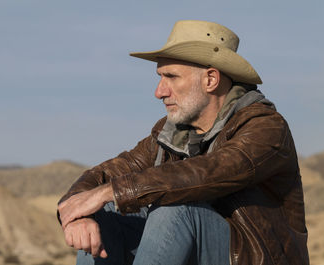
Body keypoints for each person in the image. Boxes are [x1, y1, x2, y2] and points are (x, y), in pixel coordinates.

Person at [57, 20, 309, 265]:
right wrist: (79, 214)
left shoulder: (265, 127)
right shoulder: (169, 135)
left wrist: (108, 192)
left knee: (176, 209)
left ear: (210, 80)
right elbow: (102, 174)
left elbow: (208, 173)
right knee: (103, 217)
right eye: (160, 77)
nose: (159, 91)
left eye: (172, 77)